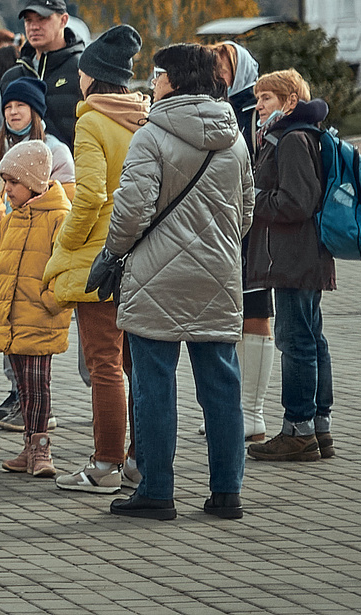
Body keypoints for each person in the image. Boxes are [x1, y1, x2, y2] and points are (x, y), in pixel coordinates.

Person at [100, 40, 253, 520]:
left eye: (158, 74)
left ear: (177, 80)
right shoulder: (235, 138)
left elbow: (131, 211)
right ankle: (227, 492)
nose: (151, 82)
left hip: (155, 277)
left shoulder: (151, 136)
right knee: (222, 387)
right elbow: (247, 211)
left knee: (154, 387)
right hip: (218, 276)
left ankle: (157, 491)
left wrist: (113, 252)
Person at [45, 23, 148, 492]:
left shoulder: (91, 121)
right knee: (135, 365)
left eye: (83, 73)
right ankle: (138, 460)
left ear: (93, 77)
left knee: (103, 363)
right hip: (141, 256)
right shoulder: (143, 118)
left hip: (100, 258)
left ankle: (105, 463)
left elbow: (88, 196)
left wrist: (66, 243)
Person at [246, 67, 338, 465]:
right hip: (300, 256)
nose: (259, 105)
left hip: (295, 258)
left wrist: (252, 199)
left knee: (296, 341)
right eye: (258, 98)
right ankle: (318, 428)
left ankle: (298, 431)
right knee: (310, 339)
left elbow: (297, 202)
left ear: (290, 101)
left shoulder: (293, 139)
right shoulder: (295, 134)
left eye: (267, 98)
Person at [0, 135, 70, 476]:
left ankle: (42, 449)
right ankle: (28, 447)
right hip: (11, 317)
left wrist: (49, 301)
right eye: (5, 181)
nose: (7, 189)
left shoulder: (59, 217)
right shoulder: (11, 220)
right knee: (23, 387)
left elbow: (64, 265)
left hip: (40, 317)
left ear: (34, 182)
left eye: (14, 182)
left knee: (37, 386)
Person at [211, 41, 277, 441]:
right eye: (214, 69)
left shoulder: (255, 114)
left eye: (225, 69)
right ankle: (231, 410)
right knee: (227, 316)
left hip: (252, 230)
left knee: (255, 313)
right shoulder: (214, 108)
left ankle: (252, 412)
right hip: (222, 229)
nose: (219, 77)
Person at [13, 0, 86, 152]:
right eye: (28, 20)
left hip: (73, 165)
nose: (34, 27)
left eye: (42, 19)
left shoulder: (83, 70)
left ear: (63, 20)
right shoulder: (13, 75)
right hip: (19, 166)